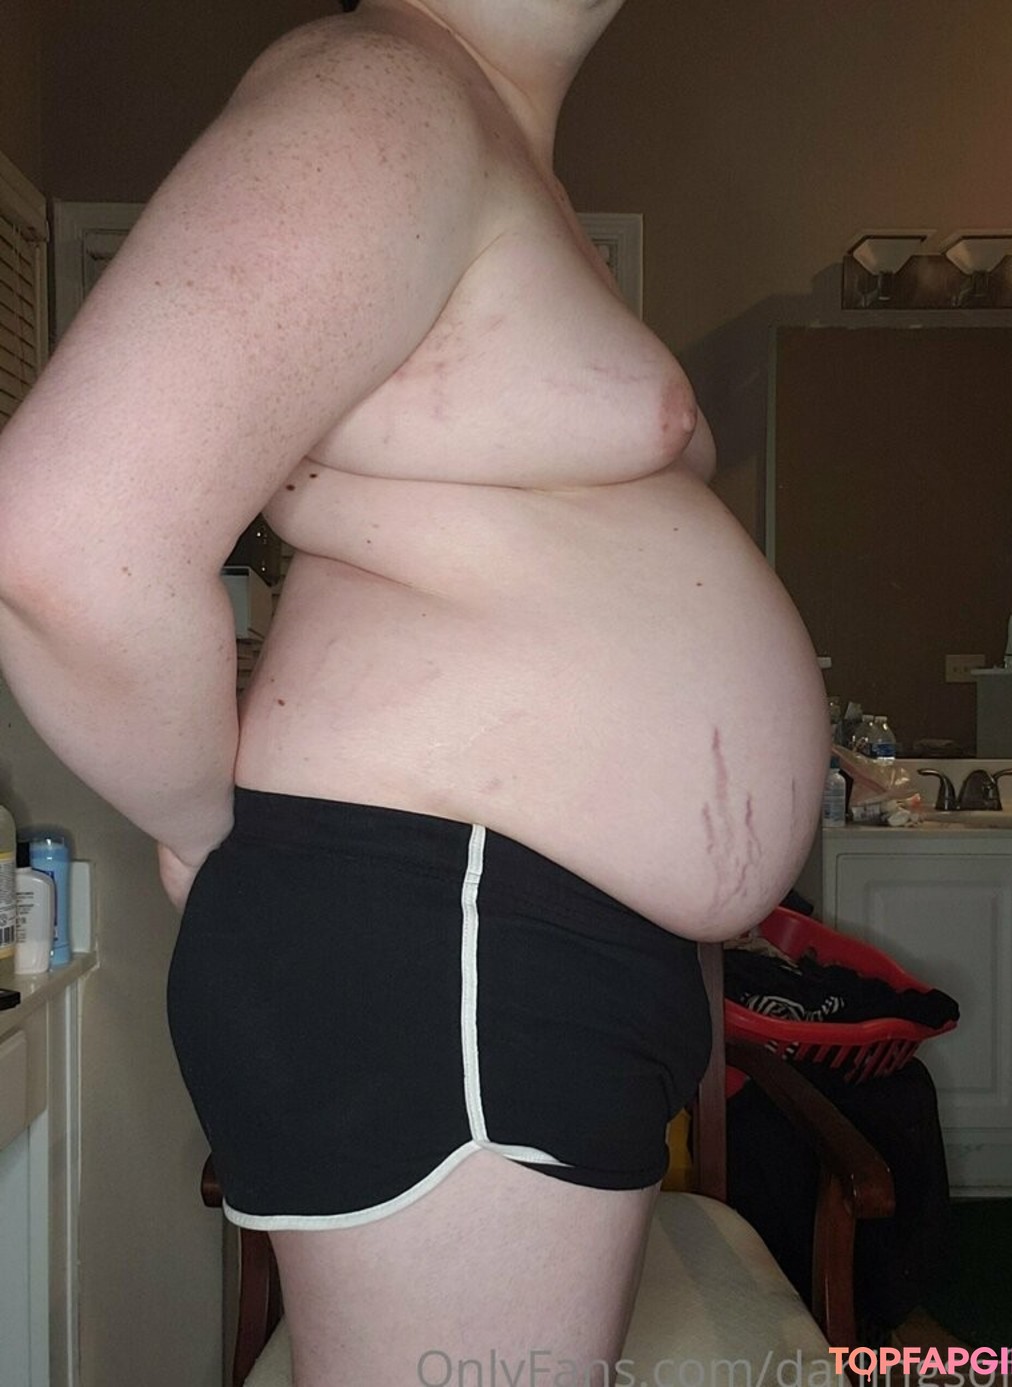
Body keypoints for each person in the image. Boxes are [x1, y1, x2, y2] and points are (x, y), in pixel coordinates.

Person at [0, 1, 828, 1380]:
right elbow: (63, 544)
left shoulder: (477, 136)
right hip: (456, 942)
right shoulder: (387, 91)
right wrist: (213, 833)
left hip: (505, 939)